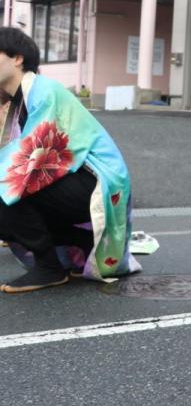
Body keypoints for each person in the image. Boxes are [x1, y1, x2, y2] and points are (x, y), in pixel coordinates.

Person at [0, 27, 140, 292]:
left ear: (17, 58)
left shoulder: (44, 91)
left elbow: (32, 151)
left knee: (5, 189)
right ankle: (83, 240)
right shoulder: (16, 100)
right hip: (72, 180)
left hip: (97, 182)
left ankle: (49, 268)